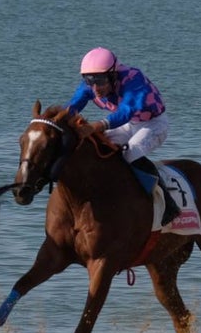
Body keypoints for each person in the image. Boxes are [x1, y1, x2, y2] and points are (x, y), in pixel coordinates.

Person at [66, 47, 179, 224]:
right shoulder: (92, 85)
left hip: (154, 123)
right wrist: (57, 122)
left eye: (101, 81)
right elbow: (73, 106)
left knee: (130, 152)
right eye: (89, 81)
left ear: (113, 75)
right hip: (129, 125)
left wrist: (97, 126)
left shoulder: (134, 78)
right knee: (99, 146)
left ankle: (169, 204)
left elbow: (126, 111)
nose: (95, 88)